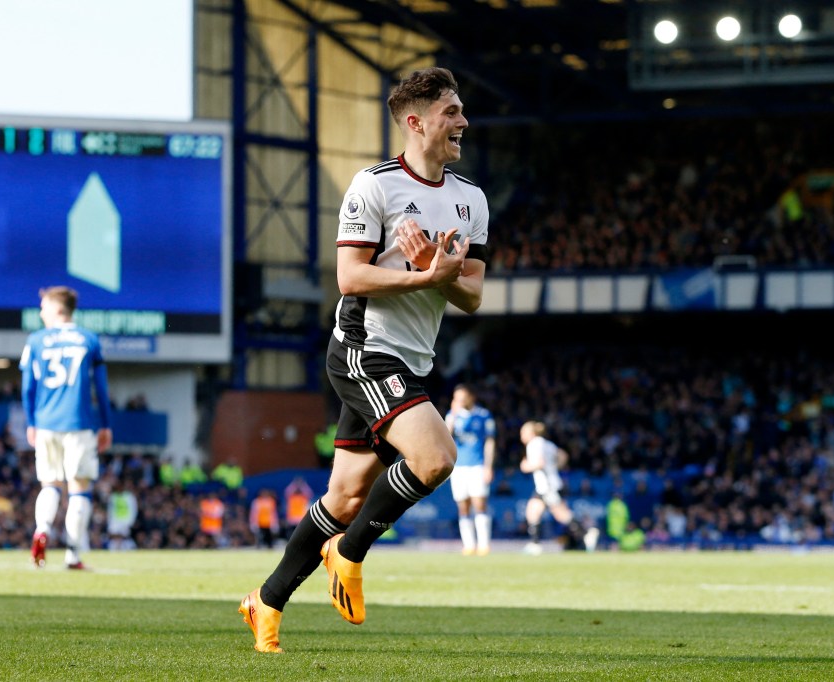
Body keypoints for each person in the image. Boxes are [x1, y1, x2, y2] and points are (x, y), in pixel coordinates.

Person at [239, 66, 489, 654]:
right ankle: (348, 554)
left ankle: (265, 603)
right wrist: (425, 273)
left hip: (414, 359)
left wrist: (441, 275)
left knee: (346, 497)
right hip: (362, 348)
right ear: (415, 121)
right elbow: (349, 276)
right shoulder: (374, 186)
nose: (462, 122)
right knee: (436, 458)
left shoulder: (470, 200)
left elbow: (472, 295)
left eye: (460, 111)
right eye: (451, 112)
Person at [20, 286, 112, 569]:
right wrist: (106, 424)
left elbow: (27, 388)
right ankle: (73, 555)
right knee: (79, 488)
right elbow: (101, 387)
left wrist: (31, 422)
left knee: (49, 484)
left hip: (46, 422)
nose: (40, 312)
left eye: (44, 307)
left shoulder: (35, 340)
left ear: (58, 308)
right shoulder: (89, 339)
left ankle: (43, 529)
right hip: (79, 423)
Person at [518, 421, 597, 555]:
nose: (521, 436)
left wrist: (525, 466)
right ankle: (535, 543)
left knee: (561, 514)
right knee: (533, 511)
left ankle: (586, 533)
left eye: (523, 432)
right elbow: (563, 455)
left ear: (530, 433)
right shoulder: (547, 444)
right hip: (547, 484)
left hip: (547, 486)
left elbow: (539, 463)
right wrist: (555, 467)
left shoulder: (534, 444)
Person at [444, 383, 495, 555]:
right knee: (463, 506)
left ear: (471, 397)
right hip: (458, 467)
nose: (459, 401)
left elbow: (489, 442)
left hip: (477, 465)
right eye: (456, 398)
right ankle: (469, 545)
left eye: (462, 398)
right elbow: (446, 438)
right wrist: (453, 416)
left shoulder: (483, 415)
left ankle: (484, 544)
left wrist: (488, 466)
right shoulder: (452, 416)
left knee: (479, 504)